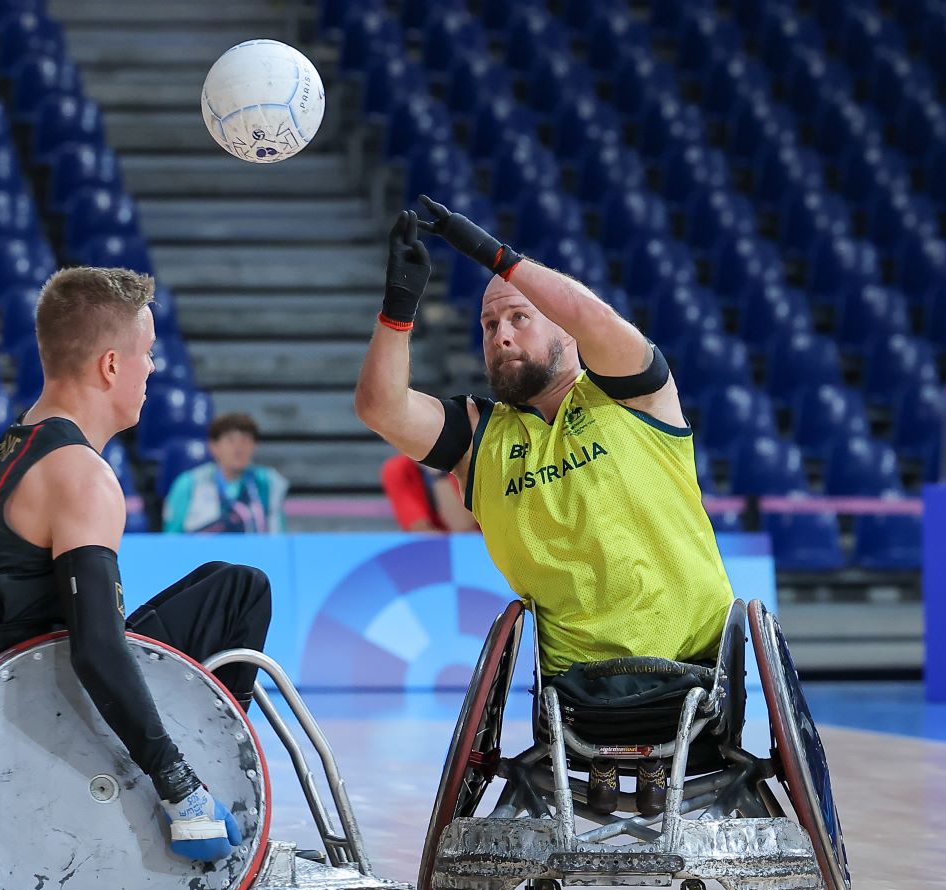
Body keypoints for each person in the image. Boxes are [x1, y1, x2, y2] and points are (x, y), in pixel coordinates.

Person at [354, 198, 734, 816]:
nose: (500, 335)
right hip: (576, 692)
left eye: (519, 318)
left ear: (563, 328)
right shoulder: (478, 438)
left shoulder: (634, 392)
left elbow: (593, 315)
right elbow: (380, 408)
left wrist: (494, 256)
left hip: (695, 666)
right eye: (488, 326)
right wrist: (399, 307)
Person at [0, 266, 272, 862]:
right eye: (147, 353)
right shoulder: (81, 475)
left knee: (226, 584)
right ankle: (209, 788)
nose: (153, 368)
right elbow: (96, 648)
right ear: (112, 365)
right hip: (42, 693)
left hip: (2, 673)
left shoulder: (17, 443)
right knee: (243, 592)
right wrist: (176, 783)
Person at [162, 412, 288, 533]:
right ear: (213, 447)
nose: (239, 448)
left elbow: (277, 536)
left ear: (255, 446)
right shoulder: (189, 484)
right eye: (230, 440)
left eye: (245, 440)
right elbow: (172, 538)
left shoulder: (268, 482)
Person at [380, 453, 479, 532]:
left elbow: (464, 528)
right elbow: (420, 531)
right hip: (439, 547)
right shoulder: (397, 468)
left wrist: (439, 473)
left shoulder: (464, 461)